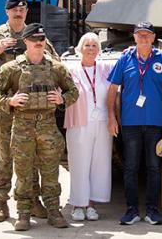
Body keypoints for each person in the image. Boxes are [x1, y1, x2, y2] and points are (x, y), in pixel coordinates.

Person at [0, 0, 57, 222]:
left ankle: (33, 201)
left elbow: (56, 63)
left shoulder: (36, 35)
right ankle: (1, 202)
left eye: (22, 9)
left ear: (26, 12)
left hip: (32, 108)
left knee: (32, 155)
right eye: (14, 9)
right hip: (5, 107)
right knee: (4, 154)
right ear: (7, 12)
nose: (19, 13)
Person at [0, 23, 79, 231]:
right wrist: (10, 101)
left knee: (50, 172)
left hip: (47, 124)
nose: (39, 43)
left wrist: (62, 99)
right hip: (23, 126)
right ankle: (23, 213)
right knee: (24, 172)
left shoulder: (56, 68)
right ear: (26, 42)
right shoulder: (11, 68)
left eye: (42, 39)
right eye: (34, 39)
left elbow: (73, 91)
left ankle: (54, 211)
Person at [107, 21, 162, 226]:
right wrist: (111, 117)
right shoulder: (125, 58)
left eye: (147, 34)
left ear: (153, 37)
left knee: (154, 167)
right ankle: (132, 209)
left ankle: (152, 210)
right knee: (131, 167)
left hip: (155, 121)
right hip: (130, 122)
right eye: (140, 34)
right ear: (134, 37)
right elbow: (113, 89)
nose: (144, 38)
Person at [64, 32, 114, 221]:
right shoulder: (71, 69)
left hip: (102, 123)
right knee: (79, 164)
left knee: (99, 164)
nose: (91, 49)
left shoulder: (105, 68)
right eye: (87, 45)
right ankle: (78, 204)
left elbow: (123, 68)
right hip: (79, 122)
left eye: (94, 46)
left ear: (99, 50)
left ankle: (92, 204)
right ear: (80, 48)